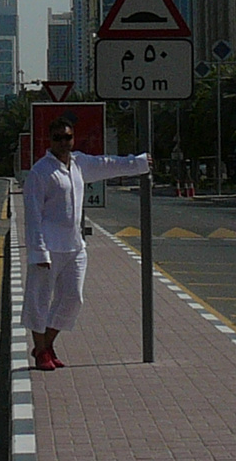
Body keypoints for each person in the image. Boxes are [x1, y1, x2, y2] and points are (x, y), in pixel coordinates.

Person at [22, 114, 151, 371]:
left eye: (67, 137)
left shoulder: (79, 163)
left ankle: (45, 345)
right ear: (50, 140)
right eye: (58, 138)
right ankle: (41, 353)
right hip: (48, 247)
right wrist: (38, 252)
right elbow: (33, 216)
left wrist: (138, 164)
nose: (63, 142)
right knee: (39, 300)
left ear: (73, 139)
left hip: (75, 246)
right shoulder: (40, 172)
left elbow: (107, 164)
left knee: (73, 298)